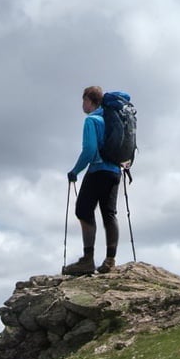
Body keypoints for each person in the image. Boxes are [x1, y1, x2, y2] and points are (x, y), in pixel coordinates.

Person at [64, 86, 122, 275]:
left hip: (97, 170)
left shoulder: (92, 120)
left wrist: (75, 171)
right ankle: (110, 260)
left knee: (83, 210)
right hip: (115, 171)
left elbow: (89, 150)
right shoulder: (113, 119)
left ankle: (88, 260)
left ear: (89, 100)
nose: (83, 104)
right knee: (109, 214)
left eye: (84, 100)